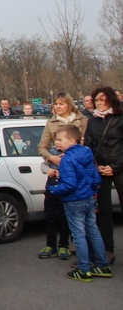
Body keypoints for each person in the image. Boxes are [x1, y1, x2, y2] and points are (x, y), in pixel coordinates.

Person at [48, 124, 113, 281]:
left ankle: (84, 269)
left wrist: (53, 189)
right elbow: (96, 178)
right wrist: (92, 193)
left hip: (74, 201)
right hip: (88, 198)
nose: (57, 142)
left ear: (72, 140)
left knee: (79, 235)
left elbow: (70, 184)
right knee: (93, 231)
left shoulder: (67, 160)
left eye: (60, 139)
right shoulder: (87, 153)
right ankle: (102, 265)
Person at [37, 93, 87, 260]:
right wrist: (52, 158)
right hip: (55, 170)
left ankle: (64, 244)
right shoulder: (51, 123)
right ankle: (50, 244)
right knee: (50, 210)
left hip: (75, 170)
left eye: (61, 103)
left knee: (66, 211)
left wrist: (71, 157)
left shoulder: (81, 121)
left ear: (69, 105)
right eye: (55, 104)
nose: (57, 106)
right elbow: (42, 147)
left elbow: (87, 145)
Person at [84, 85, 123, 265]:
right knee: (104, 211)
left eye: (102, 100)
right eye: (97, 100)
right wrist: (97, 166)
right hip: (100, 169)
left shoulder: (119, 118)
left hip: (119, 167)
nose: (99, 103)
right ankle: (108, 250)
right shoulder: (92, 121)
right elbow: (89, 146)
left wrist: (115, 167)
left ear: (110, 101)